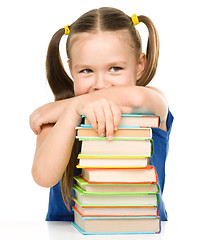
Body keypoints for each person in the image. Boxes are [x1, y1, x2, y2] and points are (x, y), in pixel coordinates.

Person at [29, 7, 173, 222]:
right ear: (71, 70)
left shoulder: (151, 102)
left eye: (115, 68)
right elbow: (43, 177)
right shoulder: (57, 116)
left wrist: (76, 103)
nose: (100, 84)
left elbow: (136, 99)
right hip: (65, 233)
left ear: (139, 65)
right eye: (86, 70)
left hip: (141, 230)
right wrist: (72, 111)